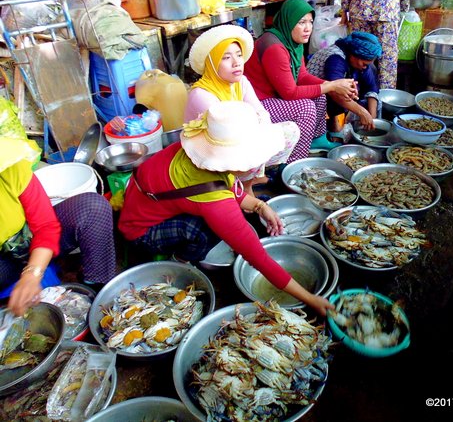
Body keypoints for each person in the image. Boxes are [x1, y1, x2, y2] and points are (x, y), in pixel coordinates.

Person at [118, 100, 335, 316]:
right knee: (207, 231)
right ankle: (178, 263)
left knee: (217, 217)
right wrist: (310, 299)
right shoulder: (215, 204)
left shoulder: (195, 155)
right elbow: (258, 258)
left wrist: (259, 206)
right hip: (139, 230)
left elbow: (226, 182)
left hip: (142, 201)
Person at [0, 137, 116, 316]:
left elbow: (45, 225)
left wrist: (33, 273)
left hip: (29, 237)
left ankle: (97, 291)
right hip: (3, 263)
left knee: (93, 208)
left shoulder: (9, 166)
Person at [185, 24, 300, 195]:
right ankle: (243, 188)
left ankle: (248, 180)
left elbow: (261, 112)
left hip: (237, 140)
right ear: (212, 63)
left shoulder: (241, 82)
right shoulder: (202, 95)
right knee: (253, 143)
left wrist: (260, 124)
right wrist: (256, 127)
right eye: (226, 57)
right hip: (210, 153)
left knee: (290, 131)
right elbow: (228, 136)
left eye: (239, 55)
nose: (236, 62)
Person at [244, 0, 358, 160]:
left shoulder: (293, 42)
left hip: (274, 96)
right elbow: (290, 93)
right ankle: (292, 161)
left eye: (310, 22)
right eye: (301, 22)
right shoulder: (274, 47)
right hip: (257, 103)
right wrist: (332, 86)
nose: (308, 28)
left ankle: (316, 140)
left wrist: (333, 86)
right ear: (288, 21)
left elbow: (302, 76)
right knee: (306, 107)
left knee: (319, 96)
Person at [340, 0, 410, 90]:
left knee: (359, 52)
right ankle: (386, 95)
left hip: (360, 9)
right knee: (387, 57)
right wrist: (404, 6)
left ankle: (356, 90)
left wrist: (344, 9)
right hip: (387, 10)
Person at [307, 31, 381, 132]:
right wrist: (362, 112)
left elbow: (371, 88)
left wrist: (372, 118)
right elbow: (335, 92)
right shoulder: (335, 59)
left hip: (335, 93)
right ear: (354, 55)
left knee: (371, 74)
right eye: (364, 63)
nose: (365, 67)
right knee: (339, 98)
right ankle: (334, 132)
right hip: (314, 97)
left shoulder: (361, 62)